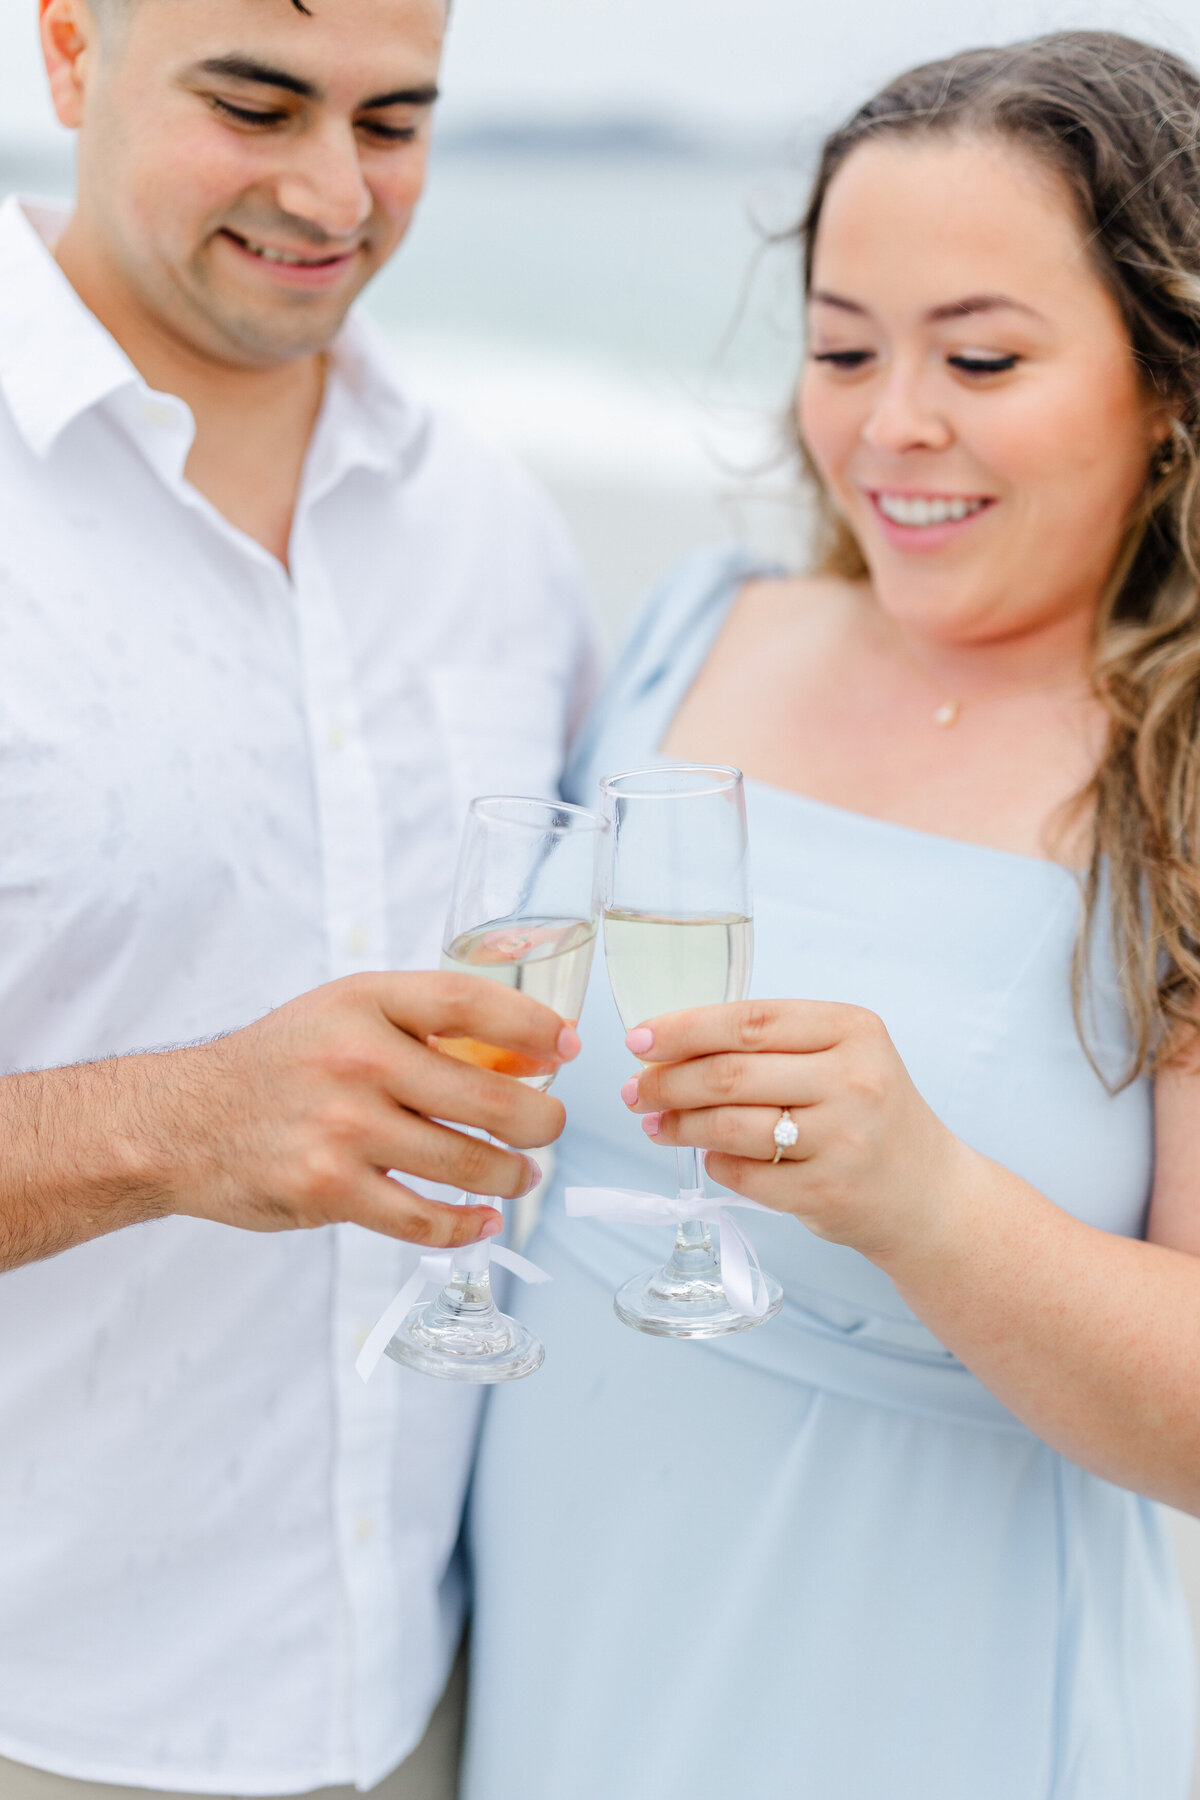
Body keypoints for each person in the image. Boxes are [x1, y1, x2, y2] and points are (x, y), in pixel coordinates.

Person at [465, 31, 1200, 1800]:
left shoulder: (1173, 771)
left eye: (983, 355)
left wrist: (928, 1200)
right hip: (563, 1642)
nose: (893, 425)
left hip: (929, 1687)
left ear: (1168, 383)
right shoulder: (695, 627)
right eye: (842, 347)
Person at [0, 0, 597, 1795]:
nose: (333, 189)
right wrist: (174, 1123)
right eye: (255, 104)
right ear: (71, 54)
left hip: (422, 1709)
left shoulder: (500, 531)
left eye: (394, 120)